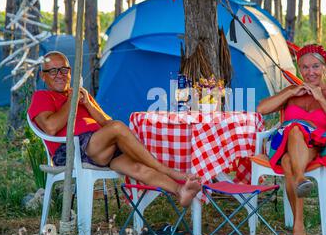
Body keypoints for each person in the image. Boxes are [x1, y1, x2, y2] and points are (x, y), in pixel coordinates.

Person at [27, 51, 201, 208]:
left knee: (138, 168)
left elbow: (106, 124)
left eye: (63, 70)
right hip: (71, 151)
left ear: (70, 72)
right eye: (52, 71)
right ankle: (169, 171)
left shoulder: (79, 94)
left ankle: (180, 190)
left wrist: (87, 103)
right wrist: (70, 102)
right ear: (43, 76)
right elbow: (50, 128)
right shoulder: (41, 97)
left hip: (99, 148)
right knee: (118, 127)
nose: (59, 75)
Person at [256, 44, 326, 235]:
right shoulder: (293, 91)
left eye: (315, 66)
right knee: (294, 134)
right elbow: (262, 108)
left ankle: (299, 226)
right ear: (299, 69)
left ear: (325, 67)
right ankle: (300, 180)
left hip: (316, 147)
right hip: (285, 146)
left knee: (291, 156)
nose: (310, 72)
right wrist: (290, 93)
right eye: (305, 68)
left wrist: (320, 99)